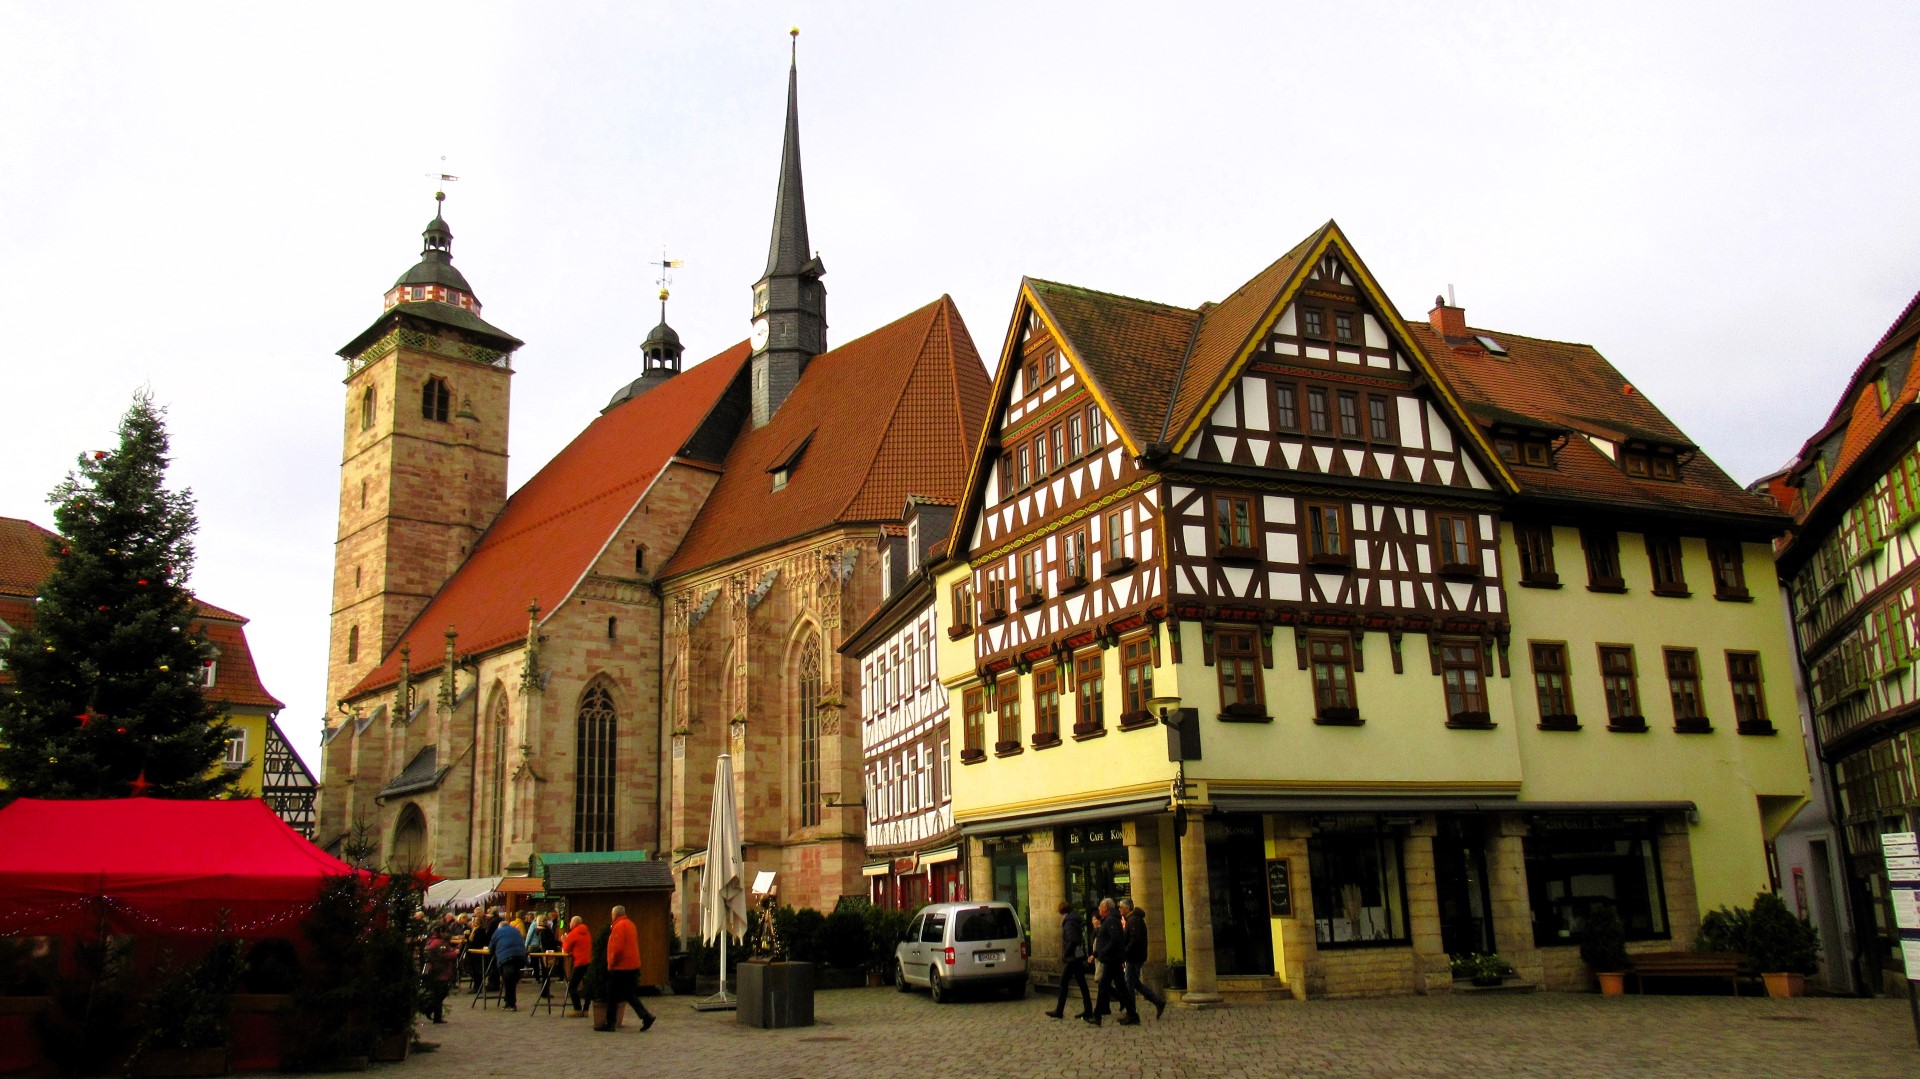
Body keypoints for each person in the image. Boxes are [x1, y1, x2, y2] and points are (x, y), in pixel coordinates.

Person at [597, 905, 656, 1032]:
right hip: (632, 965)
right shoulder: (630, 924)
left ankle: (611, 1022)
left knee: (612, 994)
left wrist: (611, 963)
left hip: (621, 966)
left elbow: (617, 949)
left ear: (615, 915)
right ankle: (646, 1016)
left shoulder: (619, 926)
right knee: (628, 994)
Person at [1089, 898, 1137, 1026]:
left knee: (1104, 985)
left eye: (1100, 906)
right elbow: (1104, 939)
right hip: (1112, 958)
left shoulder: (1111, 920)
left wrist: (1103, 951)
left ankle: (1097, 1015)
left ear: (1106, 908)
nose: (1099, 908)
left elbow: (1114, 939)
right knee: (1120, 987)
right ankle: (1132, 1014)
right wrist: (1096, 954)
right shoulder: (1108, 920)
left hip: (1112, 959)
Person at [1044, 900, 1092, 1020]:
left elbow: (1073, 940)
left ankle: (1059, 1010)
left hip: (1073, 958)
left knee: (1063, 982)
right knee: (1081, 983)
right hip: (1076, 956)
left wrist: (1066, 954)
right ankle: (1088, 1009)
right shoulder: (1074, 919)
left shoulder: (1069, 922)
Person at [1119, 898, 1166, 1019]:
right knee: (1134, 982)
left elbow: (1135, 940)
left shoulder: (1134, 920)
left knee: (1130, 983)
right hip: (1134, 956)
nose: (1119, 910)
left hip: (1134, 957)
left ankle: (1131, 1012)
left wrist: (1124, 952)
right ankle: (1157, 1001)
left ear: (1127, 909)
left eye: (1121, 908)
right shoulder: (1132, 920)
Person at [421, 921, 458, 1024]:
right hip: (440, 971)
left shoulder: (431, 941)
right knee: (441, 993)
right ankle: (429, 1009)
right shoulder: (438, 942)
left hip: (436, 970)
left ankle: (437, 1016)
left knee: (439, 993)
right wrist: (454, 953)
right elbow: (443, 955)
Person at [490, 914, 529, 1011]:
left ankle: (510, 1003)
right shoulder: (516, 930)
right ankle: (509, 1001)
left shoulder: (498, 932)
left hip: (506, 958)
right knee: (512, 980)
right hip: (520, 957)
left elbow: (491, 947)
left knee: (508, 980)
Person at [562, 915, 593, 1017]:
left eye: (570, 921)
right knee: (587, 986)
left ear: (574, 923)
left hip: (579, 962)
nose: (570, 923)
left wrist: (564, 940)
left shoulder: (573, 934)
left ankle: (577, 1009)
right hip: (588, 961)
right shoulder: (586, 932)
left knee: (572, 986)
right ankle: (586, 1009)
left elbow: (566, 950)